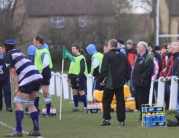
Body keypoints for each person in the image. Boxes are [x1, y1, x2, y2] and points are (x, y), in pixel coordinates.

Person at [3, 39, 42, 137]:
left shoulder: (8, 55)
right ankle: (36, 129)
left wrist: (17, 87)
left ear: (6, 47)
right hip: (37, 76)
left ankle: (18, 130)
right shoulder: (20, 54)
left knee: (17, 101)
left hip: (28, 78)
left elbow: (13, 72)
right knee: (30, 102)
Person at [98, 39, 131, 126]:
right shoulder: (123, 55)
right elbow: (129, 68)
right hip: (120, 82)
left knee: (106, 100)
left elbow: (104, 69)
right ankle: (121, 120)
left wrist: (101, 79)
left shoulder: (107, 55)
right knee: (120, 101)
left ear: (110, 45)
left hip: (110, 82)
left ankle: (107, 119)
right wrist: (126, 79)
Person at [132, 41, 154, 122]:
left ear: (142, 48)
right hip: (137, 83)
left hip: (143, 83)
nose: (136, 48)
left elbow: (150, 70)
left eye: (138, 47)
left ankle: (144, 116)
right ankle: (142, 116)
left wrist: (142, 77)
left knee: (143, 100)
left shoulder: (148, 57)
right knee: (138, 100)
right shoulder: (137, 57)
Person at [33, 35, 53, 117]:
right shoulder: (38, 50)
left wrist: (42, 75)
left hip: (44, 74)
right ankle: (35, 111)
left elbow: (46, 65)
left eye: (34, 40)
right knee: (35, 93)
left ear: (38, 41)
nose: (33, 42)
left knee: (45, 93)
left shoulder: (44, 51)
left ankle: (48, 112)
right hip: (37, 74)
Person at [67, 44, 88, 111]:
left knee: (81, 91)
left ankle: (85, 107)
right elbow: (71, 68)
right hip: (73, 77)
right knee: (74, 91)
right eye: (72, 49)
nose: (72, 50)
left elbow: (83, 68)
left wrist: (79, 77)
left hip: (79, 77)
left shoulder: (81, 57)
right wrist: (69, 76)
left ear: (77, 49)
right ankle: (76, 107)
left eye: (74, 49)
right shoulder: (73, 58)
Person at [25, 45, 40, 114]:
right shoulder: (35, 58)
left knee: (29, 93)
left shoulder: (26, 59)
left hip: (28, 78)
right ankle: (34, 108)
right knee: (35, 93)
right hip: (35, 78)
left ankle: (27, 108)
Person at [0, 44, 12, 112]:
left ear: (3, 49)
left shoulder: (6, 57)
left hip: (5, 78)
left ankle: (8, 107)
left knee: (7, 92)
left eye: (0, 48)